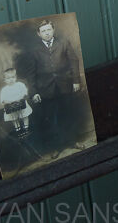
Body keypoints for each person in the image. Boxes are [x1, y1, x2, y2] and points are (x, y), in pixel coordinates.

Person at [22, 20, 81, 157]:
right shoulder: (34, 51)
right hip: (46, 90)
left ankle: (73, 141)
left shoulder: (64, 43)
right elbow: (30, 74)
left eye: (49, 30)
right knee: (52, 118)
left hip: (65, 85)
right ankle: (57, 147)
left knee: (68, 114)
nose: (47, 33)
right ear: (38, 34)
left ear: (53, 30)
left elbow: (74, 61)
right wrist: (34, 92)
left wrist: (76, 81)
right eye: (43, 31)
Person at [0, 67, 32, 138]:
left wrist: (21, 97)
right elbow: (3, 100)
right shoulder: (4, 90)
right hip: (11, 106)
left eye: (13, 77)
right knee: (14, 118)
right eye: (8, 78)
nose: (11, 79)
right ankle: (18, 129)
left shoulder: (20, 85)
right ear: (4, 80)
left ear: (16, 77)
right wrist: (8, 102)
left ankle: (26, 128)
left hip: (21, 103)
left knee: (25, 115)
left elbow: (25, 93)